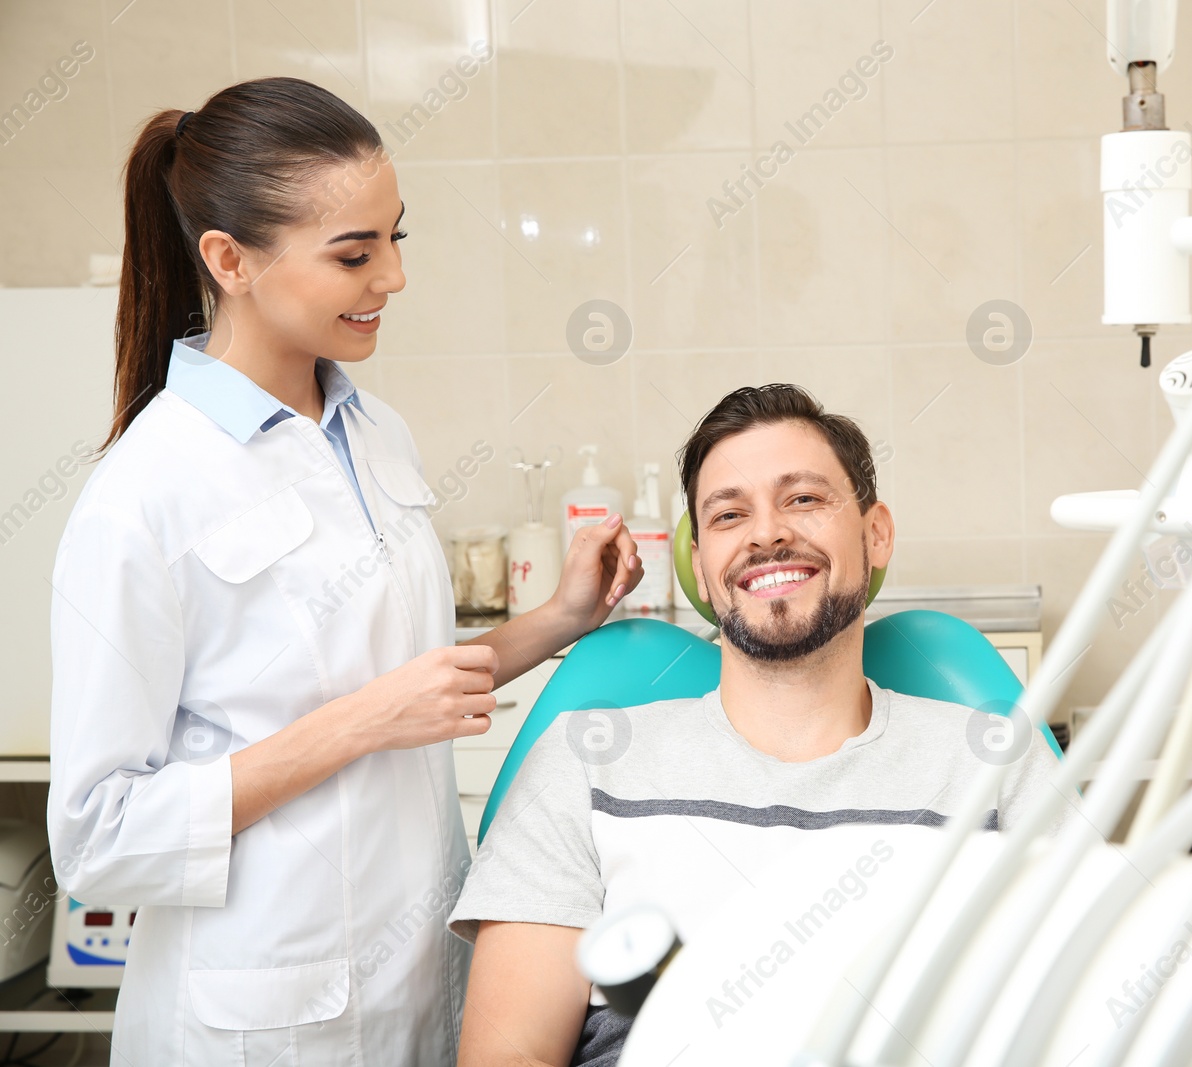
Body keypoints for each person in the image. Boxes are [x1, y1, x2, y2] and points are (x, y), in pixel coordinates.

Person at [47, 77, 642, 1065]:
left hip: (420, 979)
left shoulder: (372, 432)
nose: (392, 278)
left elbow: (407, 681)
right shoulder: (144, 493)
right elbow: (100, 837)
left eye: (395, 239)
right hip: (262, 1015)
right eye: (355, 254)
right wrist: (363, 721)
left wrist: (559, 618)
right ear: (229, 260)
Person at [449, 384, 1062, 1067]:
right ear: (704, 572)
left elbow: (1083, 1026)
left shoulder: (995, 766)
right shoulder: (584, 765)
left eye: (803, 498)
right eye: (729, 514)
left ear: (875, 533)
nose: (767, 533)